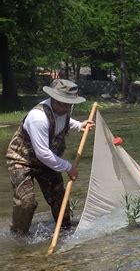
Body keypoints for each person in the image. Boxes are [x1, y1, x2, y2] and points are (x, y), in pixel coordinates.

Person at [6, 79, 94, 235]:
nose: (64, 107)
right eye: (61, 103)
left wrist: (79, 126)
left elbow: (64, 121)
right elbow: (43, 153)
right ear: (53, 98)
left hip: (47, 162)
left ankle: (65, 233)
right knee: (26, 202)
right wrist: (69, 167)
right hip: (22, 160)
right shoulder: (38, 117)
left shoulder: (65, 110)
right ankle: (18, 238)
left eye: (68, 104)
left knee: (60, 199)